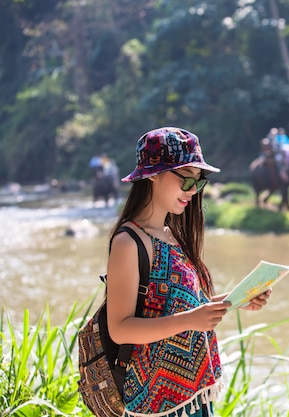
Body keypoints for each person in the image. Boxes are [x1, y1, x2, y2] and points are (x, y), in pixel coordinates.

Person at [107, 127, 271, 416]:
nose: (192, 191)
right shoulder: (128, 242)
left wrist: (236, 298)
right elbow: (120, 329)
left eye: (198, 182)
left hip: (194, 397)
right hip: (157, 404)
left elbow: (185, 308)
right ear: (153, 175)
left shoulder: (172, 235)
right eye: (186, 180)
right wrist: (190, 320)